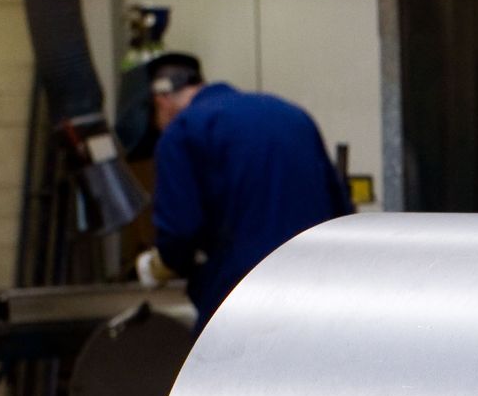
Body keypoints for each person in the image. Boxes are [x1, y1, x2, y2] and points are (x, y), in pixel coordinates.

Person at [136, 53, 352, 331]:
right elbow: (341, 211)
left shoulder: (183, 131)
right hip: (317, 296)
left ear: (161, 100)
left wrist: (156, 267)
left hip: (241, 305)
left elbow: (180, 231)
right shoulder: (291, 114)